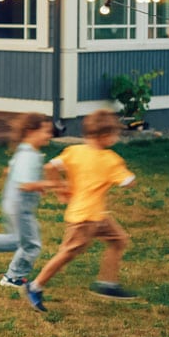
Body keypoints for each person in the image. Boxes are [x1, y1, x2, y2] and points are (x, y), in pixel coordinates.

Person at [26, 109, 137, 311]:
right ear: (104, 136)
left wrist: (60, 189)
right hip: (85, 219)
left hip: (96, 216)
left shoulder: (74, 151)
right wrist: (129, 178)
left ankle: (108, 284)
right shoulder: (110, 159)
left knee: (119, 240)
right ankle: (34, 286)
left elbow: (50, 167)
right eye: (114, 134)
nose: (116, 137)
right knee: (67, 253)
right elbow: (128, 182)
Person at [0, 113, 57, 289]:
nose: (49, 135)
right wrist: (49, 184)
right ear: (30, 131)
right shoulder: (29, 155)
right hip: (21, 207)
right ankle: (13, 277)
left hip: (13, 203)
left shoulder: (24, 150)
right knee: (31, 245)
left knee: (17, 240)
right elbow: (26, 184)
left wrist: (36, 185)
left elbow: (9, 171)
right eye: (46, 131)